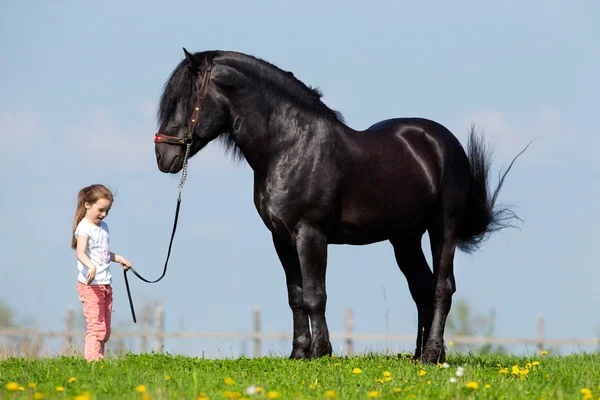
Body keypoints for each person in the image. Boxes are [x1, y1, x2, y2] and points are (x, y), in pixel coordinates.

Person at [71, 184, 131, 361]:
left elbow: (102, 253)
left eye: (108, 210)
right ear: (87, 204)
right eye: (101, 209)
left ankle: (99, 359)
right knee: (96, 327)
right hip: (91, 286)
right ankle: (93, 362)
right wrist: (91, 267)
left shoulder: (103, 227)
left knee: (105, 329)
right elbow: (80, 253)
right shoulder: (84, 228)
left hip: (105, 284)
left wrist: (118, 257)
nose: (104, 214)